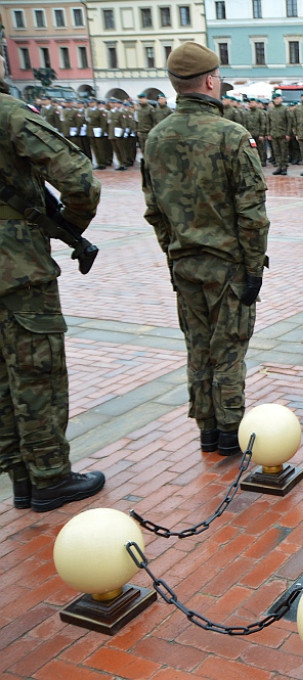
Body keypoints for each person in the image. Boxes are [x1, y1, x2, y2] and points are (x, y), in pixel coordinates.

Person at [143, 42, 270, 457]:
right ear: (212, 80)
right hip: (227, 266)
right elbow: (251, 215)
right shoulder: (231, 136)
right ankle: (230, 433)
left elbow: (154, 211)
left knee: (198, 350)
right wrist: (254, 270)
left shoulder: (156, 137)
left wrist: (173, 253)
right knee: (228, 351)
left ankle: (206, 430)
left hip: (185, 263)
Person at [0, 71, 106, 512]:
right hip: (16, 269)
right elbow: (80, 179)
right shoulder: (8, 113)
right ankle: (50, 477)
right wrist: (69, 227)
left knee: (3, 381)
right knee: (35, 373)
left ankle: (21, 478)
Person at [268, 91, 291, 175]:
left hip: (283, 134)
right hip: (274, 134)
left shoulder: (285, 109)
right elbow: (269, 122)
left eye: (278, 98)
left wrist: (288, 133)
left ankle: (284, 167)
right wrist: (269, 133)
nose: (277, 100)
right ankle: (279, 167)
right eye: (275, 99)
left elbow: (289, 122)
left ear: (281, 99)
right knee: (276, 152)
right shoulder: (271, 110)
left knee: (284, 152)